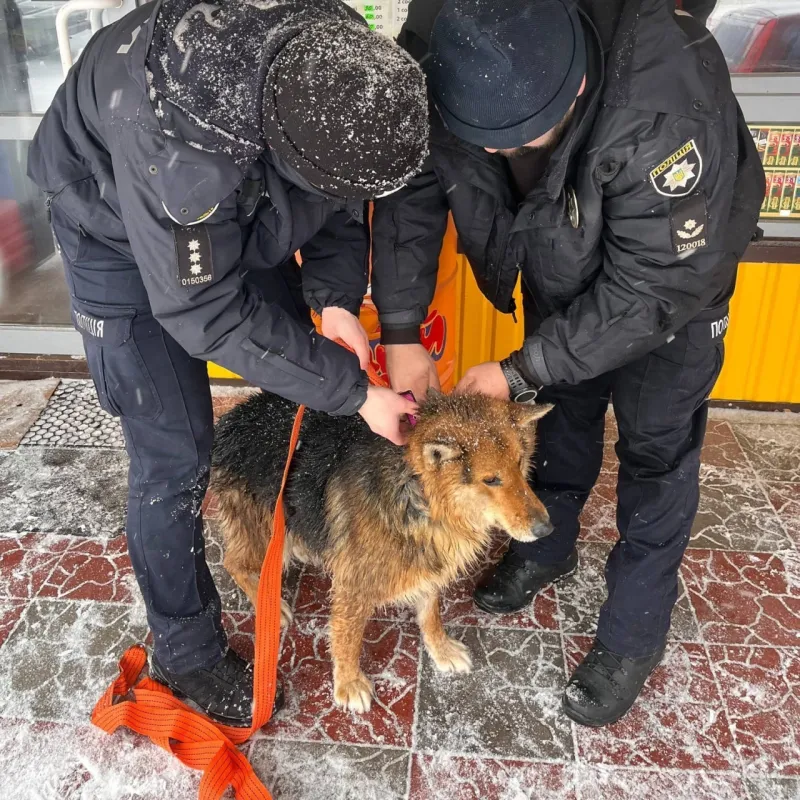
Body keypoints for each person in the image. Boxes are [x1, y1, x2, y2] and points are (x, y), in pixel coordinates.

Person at [27, 0, 428, 727]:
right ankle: (187, 652)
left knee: (297, 374)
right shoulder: (178, 139)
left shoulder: (337, 65)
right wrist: (354, 392)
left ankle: (290, 530)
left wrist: (336, 301)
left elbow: (340, 197)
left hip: (240, 186)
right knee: (175, 455)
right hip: (113, 222)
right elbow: (204, 312)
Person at [372, 0, 765, 726]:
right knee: (563, 416)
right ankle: (548, 548)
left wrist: (520, 369)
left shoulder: (663, 95)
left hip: (675, 290)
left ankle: (633, 634)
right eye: (485, 145)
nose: (501, 159)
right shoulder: (440, 50)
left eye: (522, 141)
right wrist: (400, 330)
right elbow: (416, 189)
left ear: (576, 85)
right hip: (562, 259)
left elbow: (655, 287)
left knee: (656, 453)